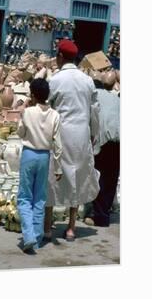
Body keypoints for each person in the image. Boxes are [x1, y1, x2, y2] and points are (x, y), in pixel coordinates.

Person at [44, 39, 100, 241]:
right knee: (77, 177)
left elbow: (47, 109)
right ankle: (71, 228)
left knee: (53, 177)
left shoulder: (55, 80)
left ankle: (48, 227)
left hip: (59, 134)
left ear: (60, 56)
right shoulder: (87, 81)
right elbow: (94, 111)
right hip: (81, 135)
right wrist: (94, 134)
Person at [16, 78, 63, 252]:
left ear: (33, 95)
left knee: (24, 197)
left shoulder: (28, 112)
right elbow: (58, 143)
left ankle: (28, 236)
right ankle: (36, 237)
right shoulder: (55, 115)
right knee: (39, 198)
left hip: (29, 154)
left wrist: (23, 112)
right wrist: (58, 167)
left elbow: (20, 133)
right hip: (45, 156)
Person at [84, 78, 120, 227]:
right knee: (111, 177)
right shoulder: (114, 97)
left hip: (103, 140)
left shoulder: (93, 97)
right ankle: (105, 211)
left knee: (98, 177)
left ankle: (100, 217)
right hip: (119, 140)